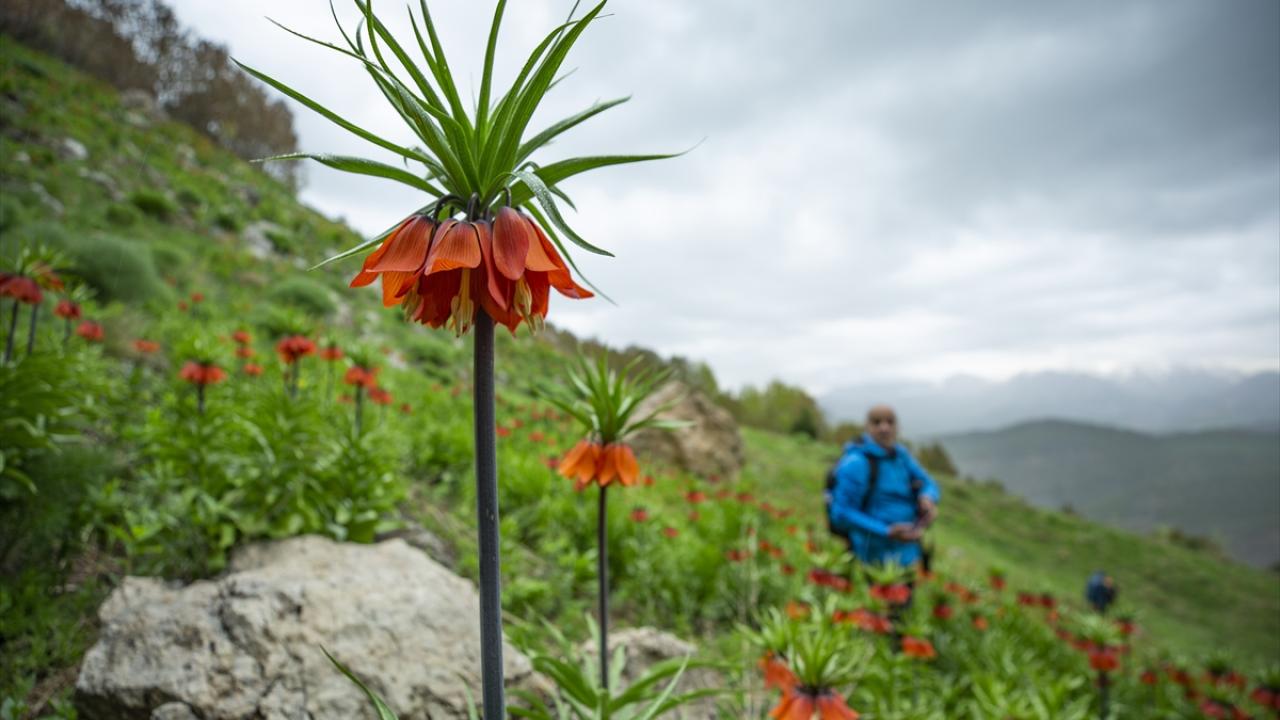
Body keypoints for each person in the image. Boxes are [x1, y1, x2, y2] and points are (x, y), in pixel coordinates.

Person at [827, 405, 941, 568]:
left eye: (890, 422)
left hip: (908, 554)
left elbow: (929, 482)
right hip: (871, 557)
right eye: (877, 422)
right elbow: (841, 513)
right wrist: (886, 531)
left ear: (897, 427)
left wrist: (928, 498)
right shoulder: (856, 463)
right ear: (867, 427)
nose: (884, 427)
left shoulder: (901, 456)